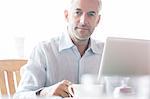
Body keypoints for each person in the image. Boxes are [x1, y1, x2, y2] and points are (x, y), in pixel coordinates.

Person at [14, 0, 104, 98]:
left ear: (98, 20)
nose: (83, 21)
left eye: (91, 14)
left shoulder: (107, 52)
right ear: (66, 16)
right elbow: (20, 96)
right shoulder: (44, 50)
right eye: (77, 13)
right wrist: (45, 92)